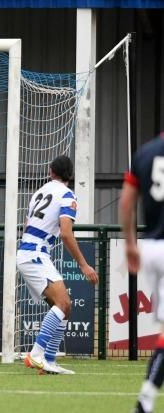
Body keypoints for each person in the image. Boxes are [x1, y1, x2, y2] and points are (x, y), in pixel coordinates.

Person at [18, 155, 98, 374]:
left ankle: (48, 362)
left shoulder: (38, 193)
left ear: (50, 171)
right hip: (36, 254)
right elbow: (66, 233)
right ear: (70, 176)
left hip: (29, 252)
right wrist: (84, 265)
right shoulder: (67, 195)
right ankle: (36, 354)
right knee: (63, 303)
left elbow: (26, 226)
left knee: (65, 307)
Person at [120, 132, 164, 413]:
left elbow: (126, 203)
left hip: (151, 248)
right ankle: (146, 399)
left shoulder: (145, 153)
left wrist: (130, 245)